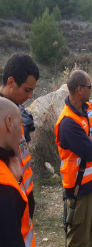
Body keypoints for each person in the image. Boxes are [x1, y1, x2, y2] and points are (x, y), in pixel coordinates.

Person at [55, 70, 92, 247]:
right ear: (80, 89)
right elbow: (88, 152)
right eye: (89, 86)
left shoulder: (89, 109)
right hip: (79, 188)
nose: (91, 89)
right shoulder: (67, 123)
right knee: (79, 239)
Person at [0, 53, 39, 221]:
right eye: (27, 90)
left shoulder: (17, 114)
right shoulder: (2, 118)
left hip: (23, 201)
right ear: (10, 82)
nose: (30, 96)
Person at [0, 97, 35, 247]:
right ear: (8, 123)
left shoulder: (7, 168)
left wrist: (17, 180)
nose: (21, 135)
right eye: (19, 124)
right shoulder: (4, 186)